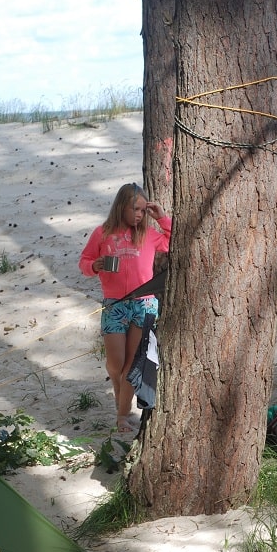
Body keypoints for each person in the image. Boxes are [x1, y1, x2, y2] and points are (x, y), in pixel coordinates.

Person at [79, 183, 171, 432]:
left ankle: (122, 415)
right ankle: (122, 400)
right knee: (115, 363)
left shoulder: (149, 234)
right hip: (115, 304)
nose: (140, 215)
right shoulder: (103, 233)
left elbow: (174, 241)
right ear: (121, 207)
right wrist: (94, 266)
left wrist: (161, 217)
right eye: (135, 209)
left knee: (132, 363)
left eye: (143, 210)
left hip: (144, 303)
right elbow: (84, 262)